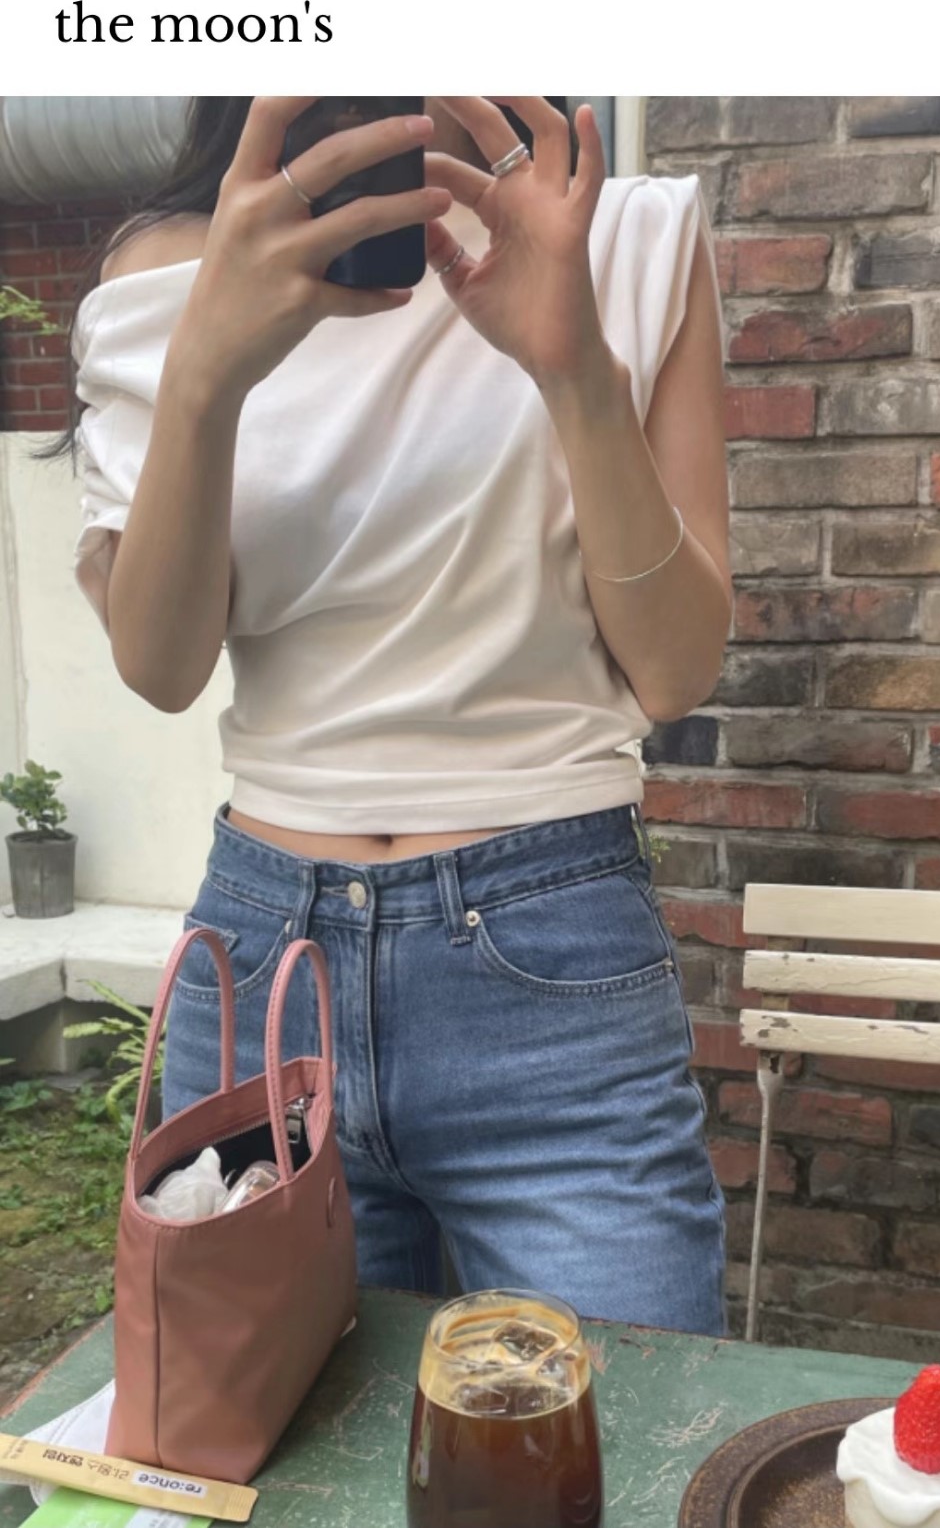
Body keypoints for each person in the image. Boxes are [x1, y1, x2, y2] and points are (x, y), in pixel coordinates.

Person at [66, 96, 733, 1335]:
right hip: (268, 976)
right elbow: (160, 661)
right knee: (265, 1431)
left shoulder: (626, 235)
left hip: (551, 968)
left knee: (618, 1432)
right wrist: (207, 369)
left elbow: (676, 670)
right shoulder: (164, 274)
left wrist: (572, 367)